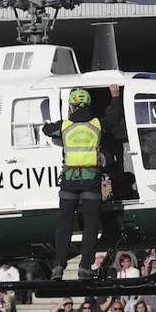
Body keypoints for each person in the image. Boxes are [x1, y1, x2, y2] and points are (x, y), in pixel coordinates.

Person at [43, 87, 108, 279]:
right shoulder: (98, 124)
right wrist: (114, 99)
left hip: (70, 181)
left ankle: (58, 266)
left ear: (71, 106)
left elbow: (47, 130)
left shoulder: (63, 126)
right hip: (90, 180)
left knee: (64, 224)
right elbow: (114, 122)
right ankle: (85, 267)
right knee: (91, 226)